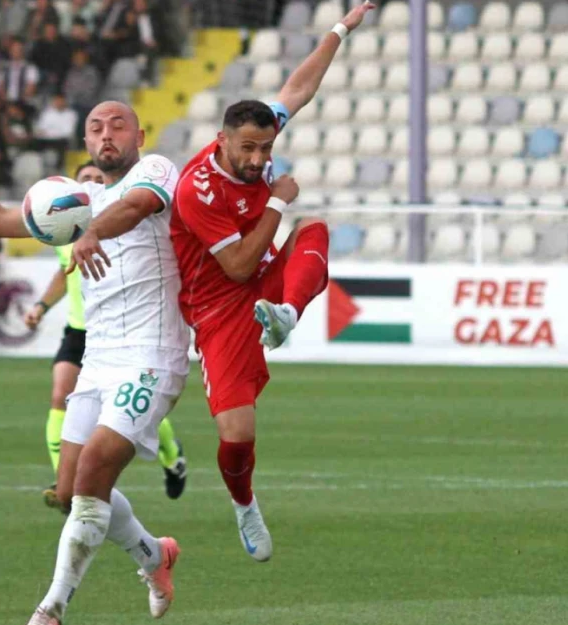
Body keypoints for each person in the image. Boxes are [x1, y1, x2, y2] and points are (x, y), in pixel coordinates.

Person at [0, 100, 186, 624]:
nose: (107, 134)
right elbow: (3, 219)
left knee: (97, 466)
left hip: (151, 354)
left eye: (118, 125)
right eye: (96, 128)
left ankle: (51, 610)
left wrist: (94, 229)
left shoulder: (155, 171)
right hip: (97, 359)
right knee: (76, 487)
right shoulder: (77, 202)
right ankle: (154, 555)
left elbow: (139, 206)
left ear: (139, 134)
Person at [170, 1, 376, 563]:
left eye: (266, 148)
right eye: (248, 149)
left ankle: (287, 314)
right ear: (221, 141)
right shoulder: (197, 190)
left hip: (265, 289)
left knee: (317, 229)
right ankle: (244, 505)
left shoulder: (259, 144)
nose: (260, 159)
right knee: (236, 435)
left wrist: (340, 28)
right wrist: (277, 204)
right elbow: (235, 266)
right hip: (218, 308)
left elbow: (300, 87)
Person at [26, 162, 187, 508]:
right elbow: (61, 272)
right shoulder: (63, 230)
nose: (92, 186)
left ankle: (171, 455)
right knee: (59, 395)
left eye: (98, 181)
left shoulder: (124, 221)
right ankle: (63, 481)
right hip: (81, 330)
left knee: (125, 415)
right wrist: (40, 305)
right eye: (85, 180)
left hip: (127, 335)